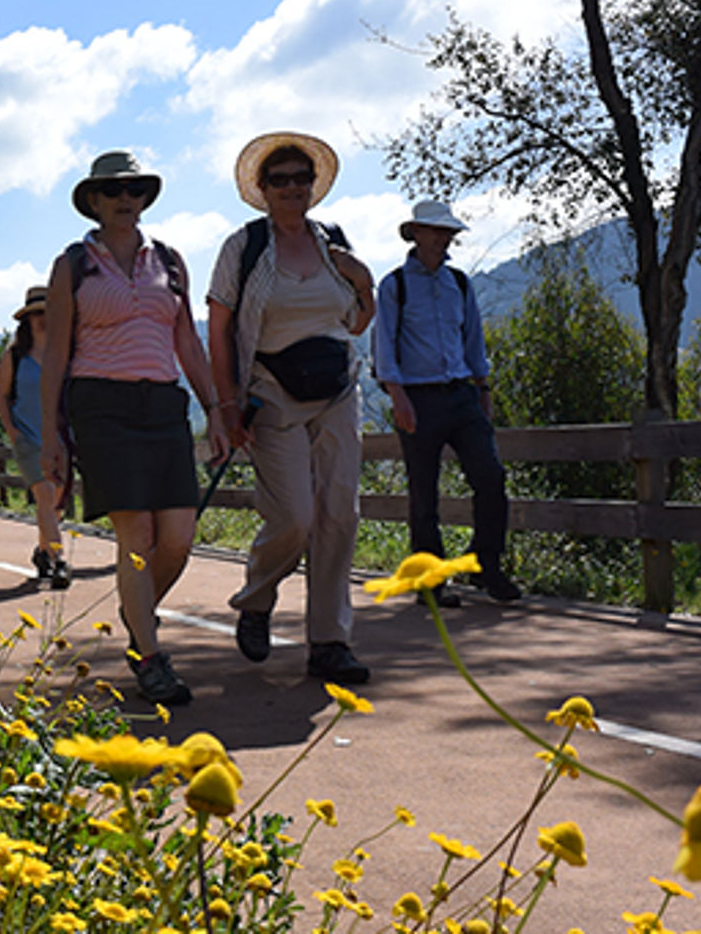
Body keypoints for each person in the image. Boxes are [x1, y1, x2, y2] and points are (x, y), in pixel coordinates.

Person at [41, 150, 231, 706]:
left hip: (163, 406)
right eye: (114, 191)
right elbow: (54, 355)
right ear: (94, 203)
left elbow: (188, 342)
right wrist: (52, 434)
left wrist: (215, 409)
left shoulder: (168, 261)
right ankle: (149, 658)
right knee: (137, 538)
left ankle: (135, 613)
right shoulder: (73, 265)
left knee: (178, 537)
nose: (127, 199)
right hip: (100, 406)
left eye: (136, 190)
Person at [205, 131, 379, 686]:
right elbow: (219, 329)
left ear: (313, 186)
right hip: (270, 390)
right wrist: (226, 404)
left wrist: (365, 285)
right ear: (261, 188)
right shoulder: (244, 247)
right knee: (295, 517)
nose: (291, 188)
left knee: (339, 516)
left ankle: (330, 643)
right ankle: (257, 599)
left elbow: (355, 321)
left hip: (337, 391)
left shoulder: (335, 244)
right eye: (279, 179)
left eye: (300, 178)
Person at [372, 199, 522, 605]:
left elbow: (474, 339)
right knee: (424, 495)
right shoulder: (394, 286)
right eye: (436, 231)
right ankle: (431, 583)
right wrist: (398, 397)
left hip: (462, 394)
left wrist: (483, 390)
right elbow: (384, 346)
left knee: (491, 479)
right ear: (416, 233)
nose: (443, 239)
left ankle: (485, 566)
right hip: (417, 397)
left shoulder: (459, 283)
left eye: (448, 232)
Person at [0, 285, 70, 588]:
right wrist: (13, 433)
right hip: (28, 437)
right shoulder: (14, 355)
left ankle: (42, 552)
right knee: (44, 495)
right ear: (25, 319)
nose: (40, 318)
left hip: (60, 438)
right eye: (35, 313)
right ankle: (59, 561)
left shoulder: (63, 352)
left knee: (55, 504)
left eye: (45, 312)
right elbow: (3, 396)